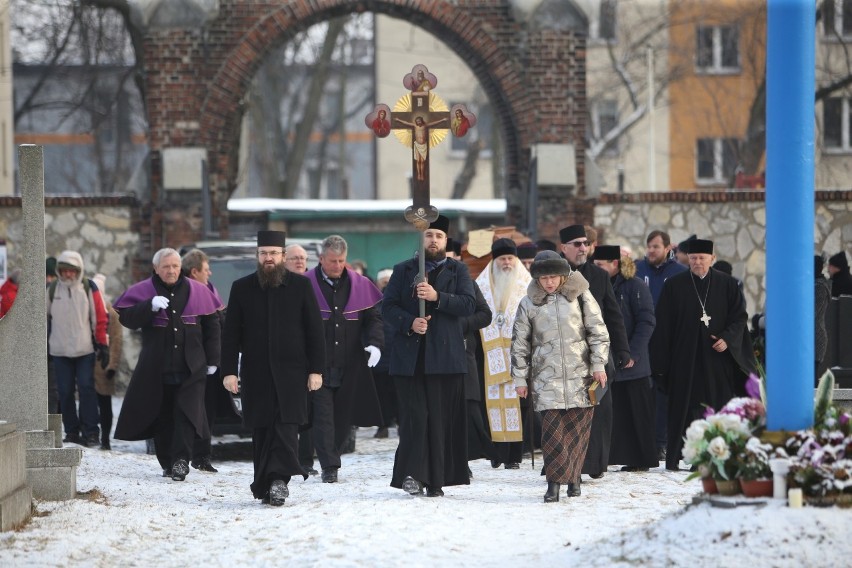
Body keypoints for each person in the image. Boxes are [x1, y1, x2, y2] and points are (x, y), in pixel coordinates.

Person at [221, 231, 325, 506]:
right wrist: (229, 371)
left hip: (293, 373)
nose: (269, 258)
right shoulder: (242, 287)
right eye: (264, 253)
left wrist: (316, 370)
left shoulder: (301, 287)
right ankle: (265, 483)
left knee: (287, 427)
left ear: (282, 256)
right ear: (257, 256)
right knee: (263, 429)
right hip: (256, 373)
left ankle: (280, 480)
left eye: (274, 253)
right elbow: (230, 334)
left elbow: (315, 331)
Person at [383, 215, 475, 497]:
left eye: (438, 236)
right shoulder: (403, 270)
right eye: (429, 235)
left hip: (445, 359)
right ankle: (413, 475)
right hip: (411, 360)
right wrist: (410, 322)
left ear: (446, 241)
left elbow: (469, 305)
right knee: (415, 419)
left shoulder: (458, 271)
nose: (433, 240)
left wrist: (438, 297)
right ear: (420, 239)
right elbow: (387, 307)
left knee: (439, 419)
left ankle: (437, 480)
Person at [113, 248, 222, 481]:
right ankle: (167, 462)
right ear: (156, 269)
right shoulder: (145, 291)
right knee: (162, 415)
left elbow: (213, 326)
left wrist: (213, 359)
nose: (171, 270)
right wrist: (149, 306)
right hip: (156, 367)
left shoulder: (197, 290)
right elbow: (127, 318)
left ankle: (182, 460)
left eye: (174, 266)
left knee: (186, 413)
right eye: (166, 267)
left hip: (191, 367)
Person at [649, 239, 756, 471]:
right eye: (693, 258)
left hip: (717, 360)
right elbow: (663, 325)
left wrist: (727, 339)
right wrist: (661, 363)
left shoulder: (728, 285)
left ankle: (719, 454)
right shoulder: (674, 285)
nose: (697, 262)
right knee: (682, 407)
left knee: (716, 405)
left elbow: (739, 318)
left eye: (702, 258)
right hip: (683, 360)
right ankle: (677, 455)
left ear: (712, 259)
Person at [511, 250, 610, 502]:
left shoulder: (580, 296)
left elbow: (597, 331)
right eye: (544, 278)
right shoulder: (528, 303)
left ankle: (574, 477)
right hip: (546, 377)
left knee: (577, 432)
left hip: (581, 376)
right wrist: (520, 378)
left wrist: (599, 364)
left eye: (554, 276)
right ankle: (554, 483)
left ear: (563, 275)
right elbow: (520, 343)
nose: (549, 282)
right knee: (553, 432)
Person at [304, 235, 384, 483]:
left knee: (343, 419)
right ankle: (330, 466)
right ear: (321, 259)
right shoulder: (304, 285)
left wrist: (375, 344)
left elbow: (373, 319)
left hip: (350, 365)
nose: (337, 266)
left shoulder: (361, 284)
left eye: (341, 261)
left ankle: (332, 455)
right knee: (323, 417)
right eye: (332, 261)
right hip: (318, 366)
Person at [559, 225, 631, 479]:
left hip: (596, 357)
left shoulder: (599, 276)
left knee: (600, 410)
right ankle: (565, 464)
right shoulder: (552, 275)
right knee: (565, 412)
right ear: (563, 247)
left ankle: (595, 464)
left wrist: (622, 349)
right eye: (577, 243)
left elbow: (613, 315)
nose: (582, 248)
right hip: (562, 356)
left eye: (585, 243)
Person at [593, 246, 657, 472]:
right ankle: (608, 456)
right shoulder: (597, 284)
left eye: (601, 265)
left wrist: (632, 353)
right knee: (611, 412)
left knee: (635, 413)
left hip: (632, 363)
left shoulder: (636, 286)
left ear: (615, 264)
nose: (596, 269)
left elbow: (646, 322)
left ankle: (640, 458)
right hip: (604, 359)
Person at [475, 238, 532, 469]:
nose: (507, 263)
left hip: (518, 353)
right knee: (491, 402)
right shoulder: (481, 284)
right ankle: (496, 454)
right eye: (502, 259)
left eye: (510, 258)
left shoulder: (527, 284)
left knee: (518, 404)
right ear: (494, 260)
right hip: (488, 355)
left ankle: (515, 456)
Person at [633, 230, 687, 461]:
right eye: (649, 246)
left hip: (668, 342)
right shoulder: (637, 270)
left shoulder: (679, 273)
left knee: (664, 392)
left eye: (656, 246)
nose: (651, 251)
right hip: (641, 340)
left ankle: (662, 441)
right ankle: (642, 442)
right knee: (643, 393)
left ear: (668, 248)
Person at [48, 250, 109, 447]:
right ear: (59, 271)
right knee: (64, 392)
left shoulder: (88, 287)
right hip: (59, 350)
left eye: (72, 271)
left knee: (86, 389)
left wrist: (102, 344)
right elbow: (43, 317)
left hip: (84, 349)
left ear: (78, 271)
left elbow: (100, 317)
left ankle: (91, 432)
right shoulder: (52, 289)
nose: (68, 275)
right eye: (64, 271)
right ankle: (72, 431)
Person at [447, 240, 496, 473]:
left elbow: (485, 315)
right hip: (434, 358)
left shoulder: (467, 283)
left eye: (451, 257)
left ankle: (466, 459)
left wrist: (459, 324)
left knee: (468, 411)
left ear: (458, 258)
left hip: (464, 354)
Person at [181, 248, 230, 473]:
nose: (209, 274)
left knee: (207, 410)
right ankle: (185, 454)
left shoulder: (210, 289)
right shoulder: (185, 292)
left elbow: (219, 322)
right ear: (194, 272)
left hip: (210, 363)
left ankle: (202, 455)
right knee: (189, 409)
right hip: (190, 361)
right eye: (206, 270)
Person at [283, 243, 318, 473]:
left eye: (303, 258)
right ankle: (289, 458)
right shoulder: (278, 284)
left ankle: (305, 460)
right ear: (284, 260)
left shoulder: (310, 285)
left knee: (308, 412)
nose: (300, 262)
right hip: (283, 359)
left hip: (306, 358)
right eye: (295, 258)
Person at [91, 273, 123, 451]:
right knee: (90, 403)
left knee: (104, 404)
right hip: (89, 363)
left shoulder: (111, 314)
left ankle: (105, 439)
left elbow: (117, 341)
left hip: (104, 365)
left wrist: (112, 365)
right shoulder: (88, 309)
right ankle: (91, 433)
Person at [372, 268, 398, 439]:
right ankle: (383, 425)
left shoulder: (396, 301)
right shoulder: (373, 302)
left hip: (395, 357)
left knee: (396, 394)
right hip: (381, 357)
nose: (386, 283)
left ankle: (390, 424)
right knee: (382, 396)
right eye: (384, 280)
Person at [394, 115, 449, 181]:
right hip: (417, 145)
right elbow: (406, 123)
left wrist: (442, 120)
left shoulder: (425, 126)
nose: (418, 122)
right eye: (417, 121)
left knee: (422, 162)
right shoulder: (414, 126)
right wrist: (398, 120)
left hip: (423, 145)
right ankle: (419, 174)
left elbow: (434, 123)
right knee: (418, 161)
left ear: (421, 121)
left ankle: (422, 174)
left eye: (419, 121)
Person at [815, 254, 831, 381]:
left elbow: (810, 313)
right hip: (811, 338)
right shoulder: (814, 285)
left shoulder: (819, 287)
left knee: (811, 380)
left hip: (815, 339)